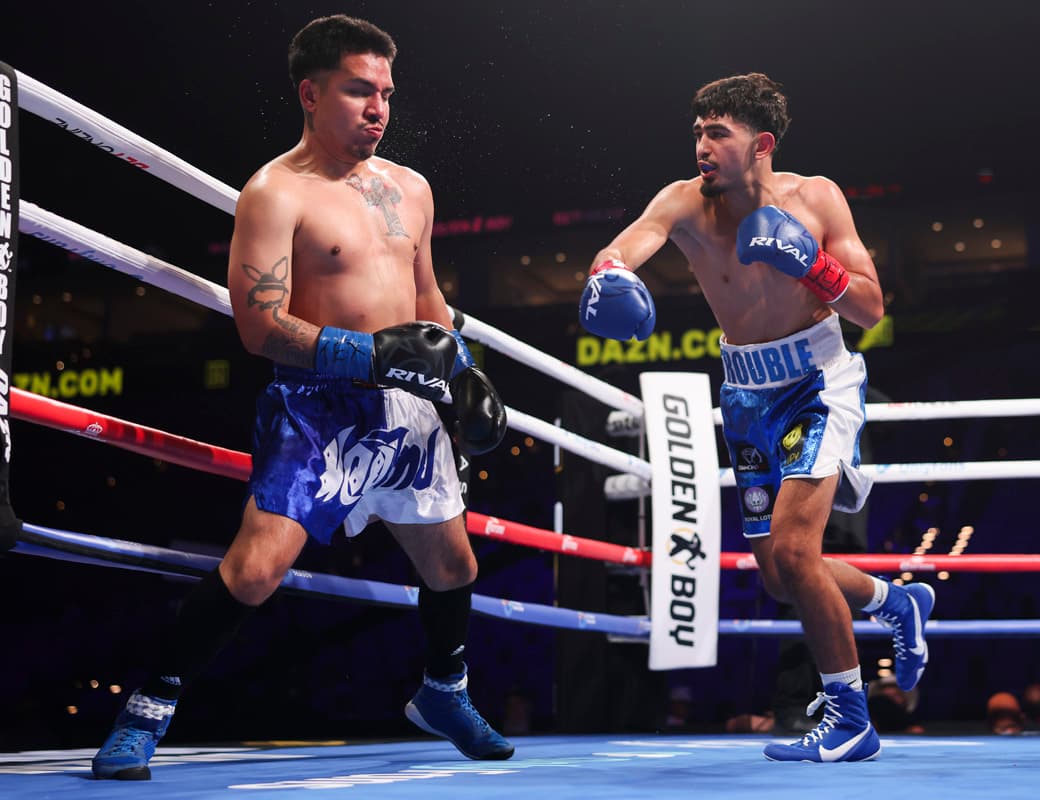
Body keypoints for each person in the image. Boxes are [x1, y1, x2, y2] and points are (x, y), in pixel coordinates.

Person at [92, 15, 512, 780]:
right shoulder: (274, 192)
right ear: (311, 94)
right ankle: (147, 709)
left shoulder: (410, 189)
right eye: (359, 90)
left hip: (410, 406)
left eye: (385, 92)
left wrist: (464, 373)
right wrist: (371, 353)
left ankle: (444, 692)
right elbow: (258, 327)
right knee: (254, 570)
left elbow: (427, 300)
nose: (378, 107)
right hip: (318, 406)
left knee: (454, 568)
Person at [579, 72, 935, 762]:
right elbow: (625, 246)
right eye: (698, 133)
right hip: (744, 397)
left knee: (800, 553)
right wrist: (608, 277)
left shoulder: (816, 197)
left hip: (817, 384)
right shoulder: (683, 202)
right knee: (778, 574)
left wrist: (814, 266)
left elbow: (870, 308)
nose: (702, 147)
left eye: (719, 133)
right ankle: (896, 604)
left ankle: (852, 715)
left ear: (761, 143)